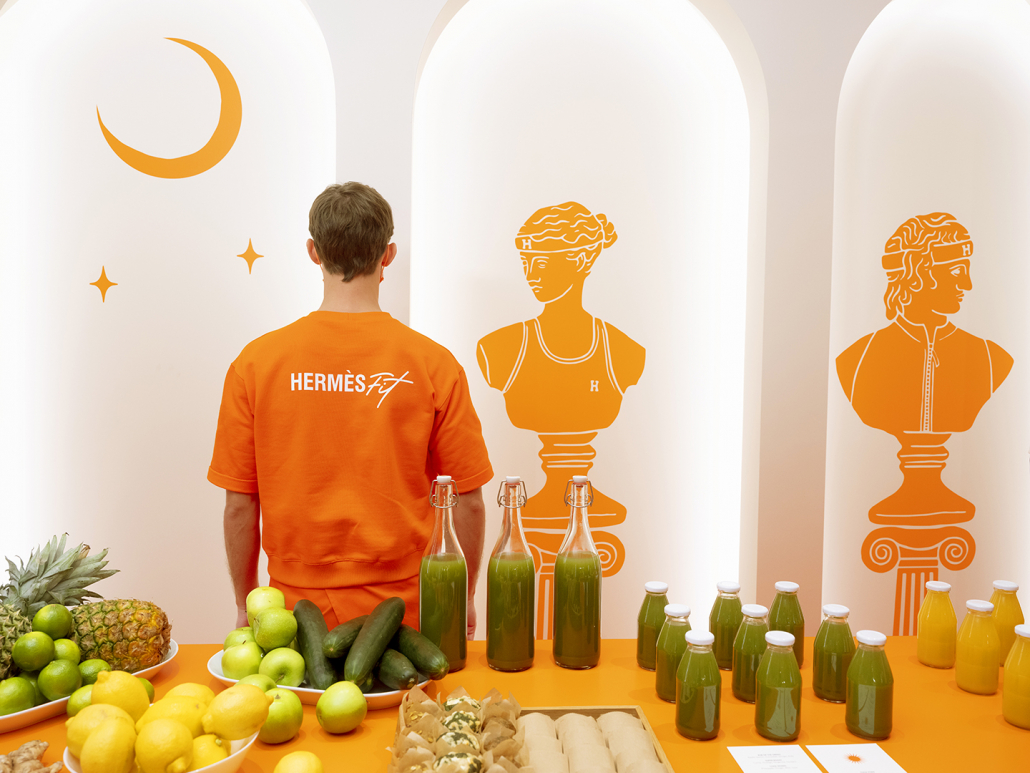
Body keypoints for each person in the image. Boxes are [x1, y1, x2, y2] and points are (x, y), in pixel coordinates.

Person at [209, 182, 492, 635]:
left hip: (294, 618)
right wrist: (465, 597)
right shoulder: (433, 363)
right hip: (408, 615)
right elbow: (468, 500)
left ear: (313, 251)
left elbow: (240, 504)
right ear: (388, 255)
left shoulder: (256, 364)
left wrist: (247, 606)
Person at [476, 201, 645, 638]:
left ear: (581, 261)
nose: (531, 273)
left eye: (543, 261)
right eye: (526, 261)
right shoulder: (503, 347)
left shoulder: (621, 349)